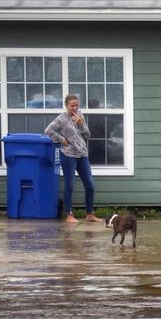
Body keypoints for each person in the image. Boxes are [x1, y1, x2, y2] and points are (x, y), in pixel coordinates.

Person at [45, 94, 103, 223]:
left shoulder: (80, 116)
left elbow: (88, 135)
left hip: (82, 155)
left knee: (90, 185)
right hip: (68, 156)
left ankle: (89, 214)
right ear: (66, 106)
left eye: (76, 105)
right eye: (72, 105)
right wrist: (61, 140)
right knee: (70, 186)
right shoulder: (61, 119)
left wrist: (81, 124)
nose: (75, 108)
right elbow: (48, 130)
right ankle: (69, 214)